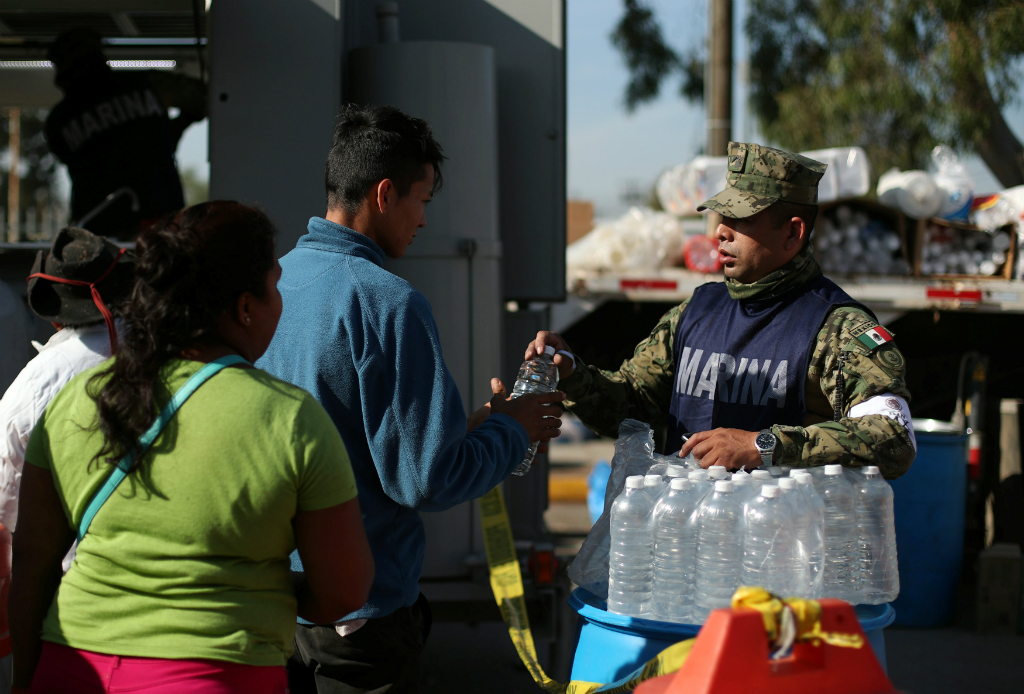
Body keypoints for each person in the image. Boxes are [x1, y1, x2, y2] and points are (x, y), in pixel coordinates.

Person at [257, 104, 564, 693]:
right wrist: (514, 431)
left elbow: (348, 435)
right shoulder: (388, 302)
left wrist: (475, 425)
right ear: (383, 193)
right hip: (359, 615)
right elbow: (426, 480)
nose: (423, 219)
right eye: (421, 200)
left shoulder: (278, 282)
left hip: (275, 604)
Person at [10, 202, 374, 694]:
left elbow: (31, 560)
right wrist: (256, 589)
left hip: (72, 670)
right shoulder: (290, 419)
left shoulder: (78, 400)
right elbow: (344, 589)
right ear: (245, 307)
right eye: (275, 285)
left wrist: (26, 678)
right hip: (210, 677)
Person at [529, 142, 916, 477]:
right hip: (693, 544)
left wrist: (764, 446)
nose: (720, 231)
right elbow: (632, 407)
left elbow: (894, 440)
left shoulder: (837, 327)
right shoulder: (697, 311)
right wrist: (573, 373)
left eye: (741, 218)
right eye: (721, 216)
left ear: (793, 232)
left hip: (782, 551)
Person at [0, 227, 134, 541]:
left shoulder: (40, 380)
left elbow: (6, 510)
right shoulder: (170, 349)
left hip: (70, 572)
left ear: (55, 315)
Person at [43, 28, 206, 239]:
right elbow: (206, 98)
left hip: (99, 229)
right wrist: (174, 130)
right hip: (158, 219)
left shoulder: (58, 121)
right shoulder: (148, 84)